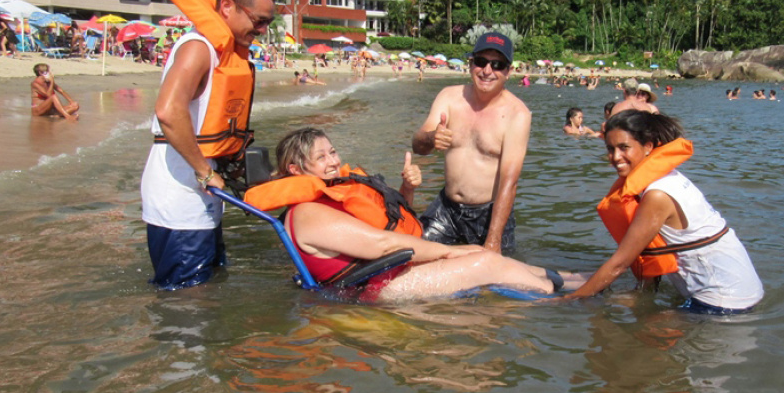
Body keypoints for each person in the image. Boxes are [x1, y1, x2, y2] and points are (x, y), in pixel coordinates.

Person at [244, 128, 588, 301]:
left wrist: (406, 191)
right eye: (322, 158)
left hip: (389, 273)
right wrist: (452, 251)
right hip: (375, 290)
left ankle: (569, 279)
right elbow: (380, 244)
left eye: (333, 152)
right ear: (295, 168)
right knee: (483, 261)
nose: (334, 161)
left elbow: (382, 226)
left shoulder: (330, 197)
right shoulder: (307, 213)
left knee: (484, 256)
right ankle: (567, 302)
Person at [140, 0, 276, 290]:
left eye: (267, 23)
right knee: (187, 305)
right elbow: (168, 112)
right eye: (258, 20)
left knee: (208, 290)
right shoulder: (199, 47)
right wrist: (203, 171)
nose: (262, 30)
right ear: (227, 7)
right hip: (180, 203)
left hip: (201, 199)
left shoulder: (224, 52)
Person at [562, 110, 764, 314]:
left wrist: (568, 301)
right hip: (742, 292)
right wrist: (640, 293)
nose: (615, 157)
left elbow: (620, 264)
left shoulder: (657, 195)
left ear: (648, 146)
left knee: (646, 336)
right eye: (610, 149)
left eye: (624, 147)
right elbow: (651, 248)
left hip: (725, 302)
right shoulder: (668, 178)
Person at [412, 32, 530, 253]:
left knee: (492, 284)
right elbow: (418, 146)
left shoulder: (518, 114)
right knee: (412, 254)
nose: (487, 71)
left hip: (488, 215)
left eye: (497, 64)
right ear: (471, 64)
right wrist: (430, 138)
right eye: (481, 62)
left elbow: (509, 183)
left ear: (508, 71)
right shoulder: (449, 97)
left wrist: (493, 241)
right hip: (446, 208)